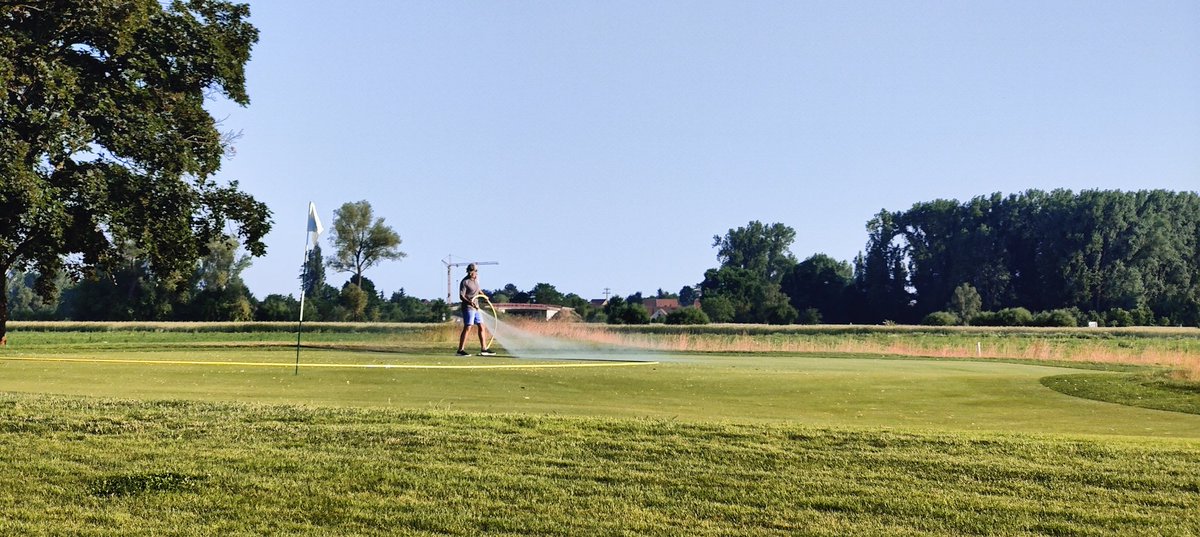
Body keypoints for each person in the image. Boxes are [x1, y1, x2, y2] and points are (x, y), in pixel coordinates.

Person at [457, 263, 495, 356]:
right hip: (468, 308)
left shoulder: (476, 280)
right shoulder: (465, 282)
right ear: (470, 272)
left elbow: (478, 290)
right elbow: (461, 296)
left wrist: (484, 296)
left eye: (476, 271)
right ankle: (460, 350)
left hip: (476, 307)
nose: (476, 273)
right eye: (474, 271)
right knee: (468, 327)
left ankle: (484, 349)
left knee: (481, 326)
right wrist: (470, 302)